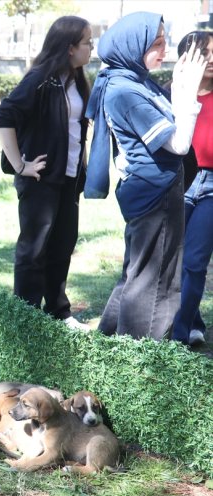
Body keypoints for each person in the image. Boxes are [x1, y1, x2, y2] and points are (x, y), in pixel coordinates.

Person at [85, 12, 206, 340]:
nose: (164, 50)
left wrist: (180, 85)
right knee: (156, 281)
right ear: (132, 46)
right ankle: (139, 359)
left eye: (165, 41)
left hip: (151, 188)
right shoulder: (126, 91)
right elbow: (179, 143)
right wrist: (189, 91)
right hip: (155, 193)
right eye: (156, 44)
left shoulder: (132, 80)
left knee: (136, 274)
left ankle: (109, 341)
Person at [0, 16, 93, 331]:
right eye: (88, 42)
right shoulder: (40, 78)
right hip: (41, 180)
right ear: (69, 47)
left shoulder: (76, 80)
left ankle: (58, 312)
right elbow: (4, 115)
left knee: (63, 244)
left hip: (69, 179)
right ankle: (26, 317)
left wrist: (84, 165)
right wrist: (21, 165)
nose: (92, 48)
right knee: (33, 249)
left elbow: (78, 128)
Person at [172, 31, 213, 346]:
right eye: (206, 53)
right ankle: (191, 318)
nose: (211, 60)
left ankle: (181, 332)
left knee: (195, 261)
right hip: (178, 183)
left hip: (211, 185)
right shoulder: (170, 95)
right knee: (172, 259)